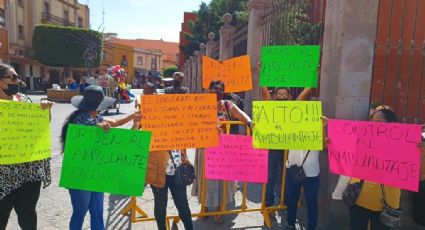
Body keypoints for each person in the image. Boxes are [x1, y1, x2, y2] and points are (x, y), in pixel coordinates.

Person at [60, 85, 137, 230]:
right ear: (99, 104)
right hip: (80, 176)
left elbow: (114, 123)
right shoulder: (82, 120)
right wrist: (99, 129)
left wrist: (134, 116)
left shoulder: (95, 116)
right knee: (80, 213)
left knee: (96, 213)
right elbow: (92, 135)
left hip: (95, 173)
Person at [0, 62, 53, 230]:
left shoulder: (24, 100)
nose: (17, 81)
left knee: (28, 214)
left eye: (18, 77)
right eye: (13, 77)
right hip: (3, 174)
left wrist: (46, 111)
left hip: (29, 171)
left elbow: (41, 125)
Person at [192, 80, 253, 222]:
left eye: (220, 89)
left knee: (220, 179)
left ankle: (219, 209)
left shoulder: (228, 104)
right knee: (204, 177)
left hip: (222, 149)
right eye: (214, 88)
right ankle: (205, 208)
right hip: (204, 147)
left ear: (223, 92)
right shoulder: (200, 103)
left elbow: (242, 115)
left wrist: (250, 123)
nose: (217, 91)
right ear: (209, 90)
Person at [135, 86, 194, 230]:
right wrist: (136, 124)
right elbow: (135, 138)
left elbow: (189, 134)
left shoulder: (178, 115)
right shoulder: (146, 116)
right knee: (160, 205)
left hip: (177, 169)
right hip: (158, 170)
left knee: (183, 204)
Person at [258, 62, 313, 214]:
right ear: (275, 96)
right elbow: (264, 93)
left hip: (290, 148)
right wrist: (262, 72)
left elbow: (305, 94)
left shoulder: (294, 106)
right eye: (279, 94)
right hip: (273, 146)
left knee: (287, 175)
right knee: (270, 174)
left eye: (284, 95)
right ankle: (268, 200)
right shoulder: (270, 105)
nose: (281, 97)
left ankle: (285, 199)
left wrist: (313, 74)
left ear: (289, 96)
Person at [346, 106, 401, 230]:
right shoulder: (363, 141)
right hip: (358, 200)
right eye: (371, 123)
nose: (373, 126)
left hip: (386, 206)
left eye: (378, 123)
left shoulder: (403, 146)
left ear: (391, 125)